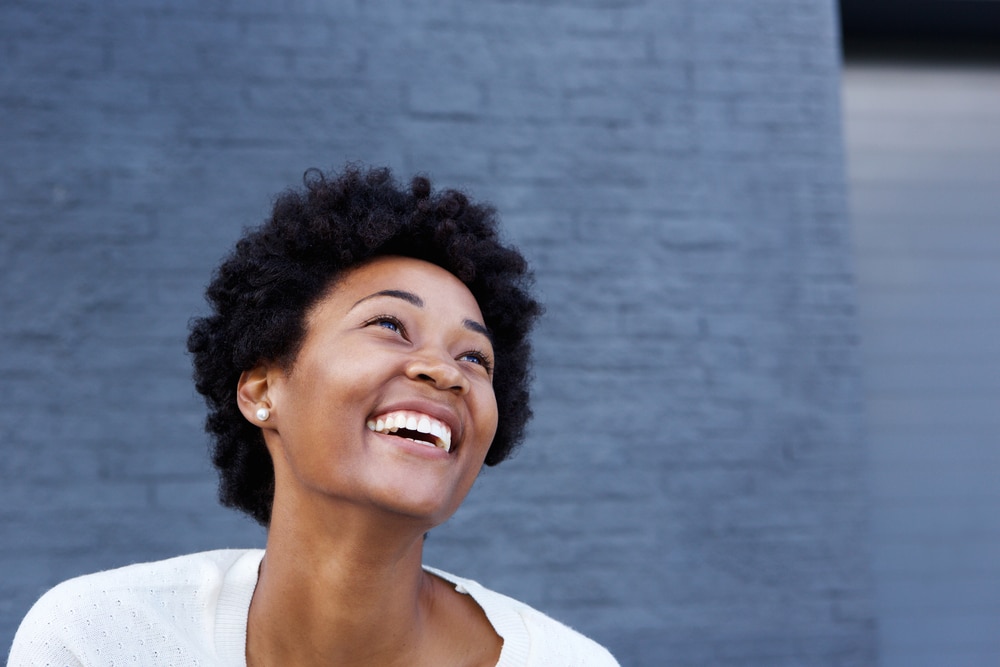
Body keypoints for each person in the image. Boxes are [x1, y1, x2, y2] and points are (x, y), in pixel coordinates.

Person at [8, 165, 619, 666]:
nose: (445, 371)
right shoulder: (101, 642)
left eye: (475, 357)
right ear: (261, 390)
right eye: (389, 325)